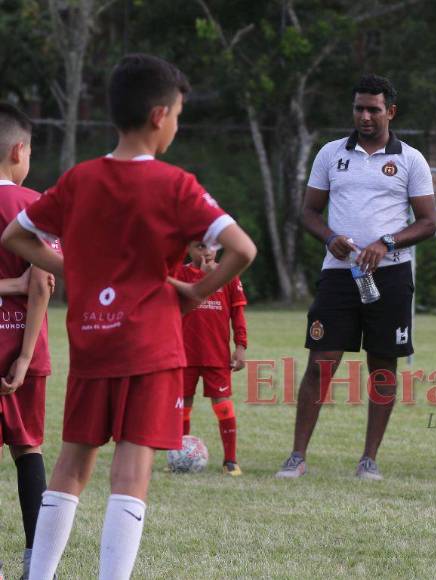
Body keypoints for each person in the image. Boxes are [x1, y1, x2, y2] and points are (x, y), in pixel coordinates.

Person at [1, 54, 256, 579]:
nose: (177, 126)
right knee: (130, 474)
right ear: (161, 115)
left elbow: (15, 238)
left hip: (93, 340)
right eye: (179, 115)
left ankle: (40, 575)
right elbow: (241, 249)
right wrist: (192, 292)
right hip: (150, 345)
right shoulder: (175, 184)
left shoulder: (79, 179)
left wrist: (77, 272)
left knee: (70, 467)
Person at [275, 74, 436, 481]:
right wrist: (330, 237)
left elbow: (428, 222)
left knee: (382, 368)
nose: (365, 116)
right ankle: (296, 456)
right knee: (321, 362)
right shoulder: (331, 154)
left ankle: (369, 459)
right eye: (359, 108)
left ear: (391, 112)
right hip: (338, 276)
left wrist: (387, 242)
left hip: (392, 276)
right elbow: (309, 211)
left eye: (373, 109)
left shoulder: (410, 159)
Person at [0, 103, 54, 579]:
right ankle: (37, 562)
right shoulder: (32, 204)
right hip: (21, 343)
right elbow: (41, 283)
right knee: (28, 449)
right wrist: (24, 355)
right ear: (19, 150)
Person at [174, 241, 248, 476]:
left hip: (216, 354)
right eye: (199, 246)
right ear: (188, 249)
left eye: (212, 246)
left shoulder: (228, 275)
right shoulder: (180, 274)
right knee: (183, 405)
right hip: (184, 353)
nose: (206, 251)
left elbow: (238, 314)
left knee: (223, 403)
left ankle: (230, 460)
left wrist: (241, 346)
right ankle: (179, 456)